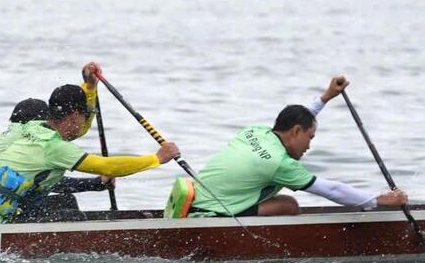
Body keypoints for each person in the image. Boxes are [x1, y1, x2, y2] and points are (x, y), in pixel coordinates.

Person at [165, 76, 409, 218]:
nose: (309, 146)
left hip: (191, 204)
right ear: (296, 132)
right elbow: (332, 190)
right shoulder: (281, 164)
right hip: (210, 216)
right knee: (288, 205)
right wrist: (377, 201)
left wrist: (325, 98)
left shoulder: (255, 131)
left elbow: (299, 117)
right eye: (310, 137)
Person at [0, 65, 179, 226]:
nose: (86, 123)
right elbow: (109, 167)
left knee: (64, 204)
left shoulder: (34, 126)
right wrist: (157, 158)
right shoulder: (56, 149)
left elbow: (79, 130)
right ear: (75, 116)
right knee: (73, 218)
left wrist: (90, 87)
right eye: (85, 116)